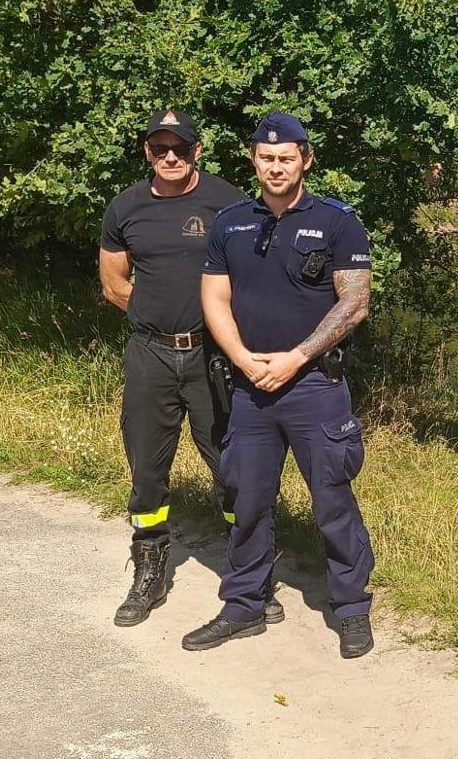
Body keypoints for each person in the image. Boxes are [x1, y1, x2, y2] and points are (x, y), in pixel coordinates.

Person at [185, 111, 376, 656]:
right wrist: (242, 358)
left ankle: (351, 608)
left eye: (285, 158)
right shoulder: (230, 224)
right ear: (254, 160)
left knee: (332, 499)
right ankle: (244, 605)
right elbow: (214, 298)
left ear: (305, 160)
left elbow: (355, 302)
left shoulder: (338, 222)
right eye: (266, 158)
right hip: (250, 387)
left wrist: (296, 357)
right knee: (246, 497)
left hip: (313, 385)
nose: (275, 167)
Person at [98, 109, 282, 627]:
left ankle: (250, 575)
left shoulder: (228, 202)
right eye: (160, 149)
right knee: (147, 469)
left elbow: (257, 272)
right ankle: (150, 566)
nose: (170, 157)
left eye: (180, 148)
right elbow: (114, 284)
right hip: (150, 355)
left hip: (213, 357)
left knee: (231, 465)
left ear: (197, 151)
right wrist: (158, 311)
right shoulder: (126, 207)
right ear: (148, 153)